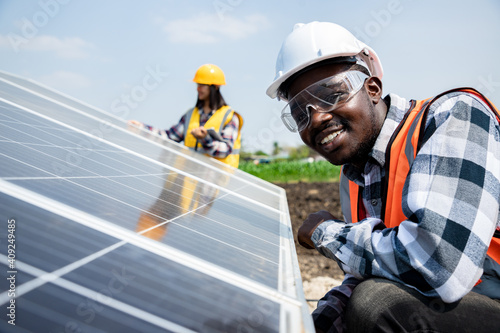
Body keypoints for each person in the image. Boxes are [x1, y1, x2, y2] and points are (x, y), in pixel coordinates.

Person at [266, 21, 500, 332]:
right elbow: (373, 272)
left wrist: (327, 233)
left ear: (372, 88)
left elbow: (440, 265)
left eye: (331, 94)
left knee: (374, 303)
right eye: (300, 113)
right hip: (454, 308)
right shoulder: (354, 176)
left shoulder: (454, 117)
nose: (317, 118)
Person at [128, 64, 243, 168]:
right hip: (189, 181)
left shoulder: (230, 117)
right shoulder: (190, 115)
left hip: (214, 184)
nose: (198, 88)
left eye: (203, 85)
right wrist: (141, 128)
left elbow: (225, 150)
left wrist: (205, 139)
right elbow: (169, 136)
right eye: (198, 84)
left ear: (215, 87)